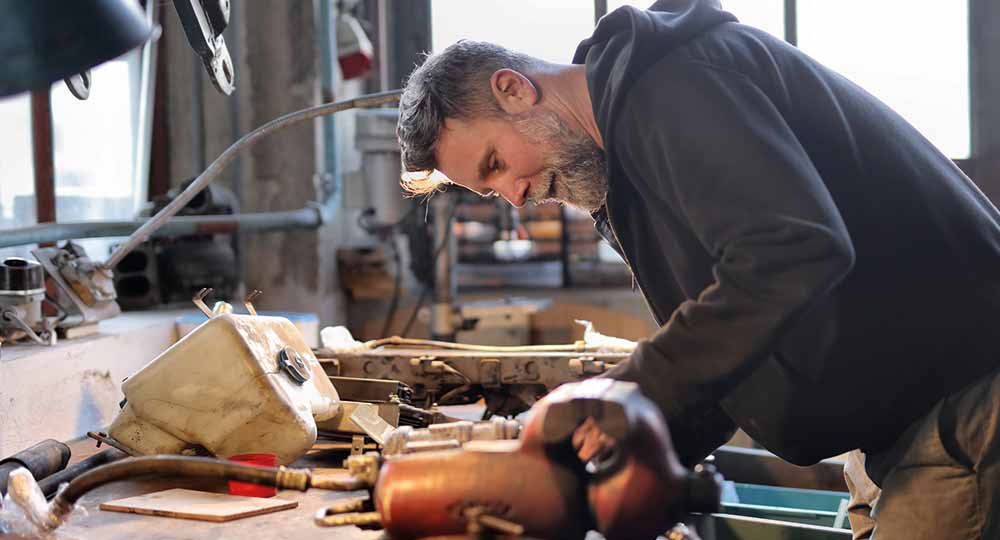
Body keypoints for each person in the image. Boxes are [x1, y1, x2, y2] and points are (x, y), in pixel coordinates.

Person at [394, 1, 1000, 538]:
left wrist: (628, 388)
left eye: (497, 163)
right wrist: (633, 431)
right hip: (897, 430)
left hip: (962, 407)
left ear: (514, 89)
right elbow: (747, 333)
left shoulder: (673, 86)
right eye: (491, 190)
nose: (516, 196)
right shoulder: (626, 175)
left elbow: (793, 251)